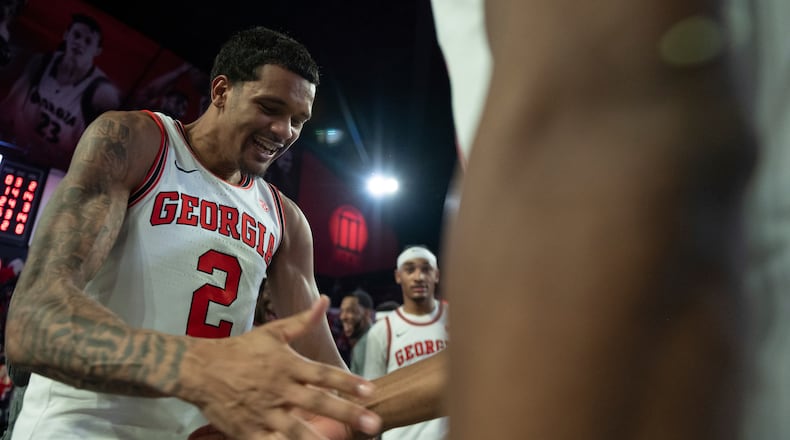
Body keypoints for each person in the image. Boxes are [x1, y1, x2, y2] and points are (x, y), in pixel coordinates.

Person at [2, 25, 383, 440]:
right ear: (220, 92)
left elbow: (334, 380)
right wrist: (196, 367)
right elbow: (32, 321)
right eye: (270, 107)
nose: (284, 131)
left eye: (298, 120)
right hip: (80, 428)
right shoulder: (138, 142)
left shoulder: (285, 220)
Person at [0, 13, 121, 171]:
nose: (80, 43)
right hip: (17, 153)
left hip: (57, 171)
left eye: (88, 41)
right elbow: (10, 107)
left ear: (97, 50)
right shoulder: (42, 61)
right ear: (66, 35)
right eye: (76, 35)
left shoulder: (103, 93)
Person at [363, 246, 449, 439]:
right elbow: (371, 400)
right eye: (410, 270)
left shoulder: (458, 321)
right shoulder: (382, 330)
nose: (418, 277)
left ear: (436, 275)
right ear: (398, 276)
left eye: (426, 269)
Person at [339, 288, 374, 374]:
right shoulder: (360, 343)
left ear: (367, 313)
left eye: (350, 311)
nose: (343, 317)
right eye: (342, 311)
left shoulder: (368, 344)